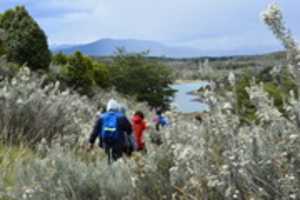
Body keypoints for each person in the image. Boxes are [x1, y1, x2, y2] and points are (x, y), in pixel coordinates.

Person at [88, 99, 132, 164]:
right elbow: (129, 129)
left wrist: (91, 142)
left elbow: (95, 130)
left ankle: (109, 170)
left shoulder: (102, 117)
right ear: (116, 107)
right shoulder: (121, 117)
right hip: (118, 142)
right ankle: (116, 172)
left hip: (106, 141)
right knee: (117, 159)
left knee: (108, 159)